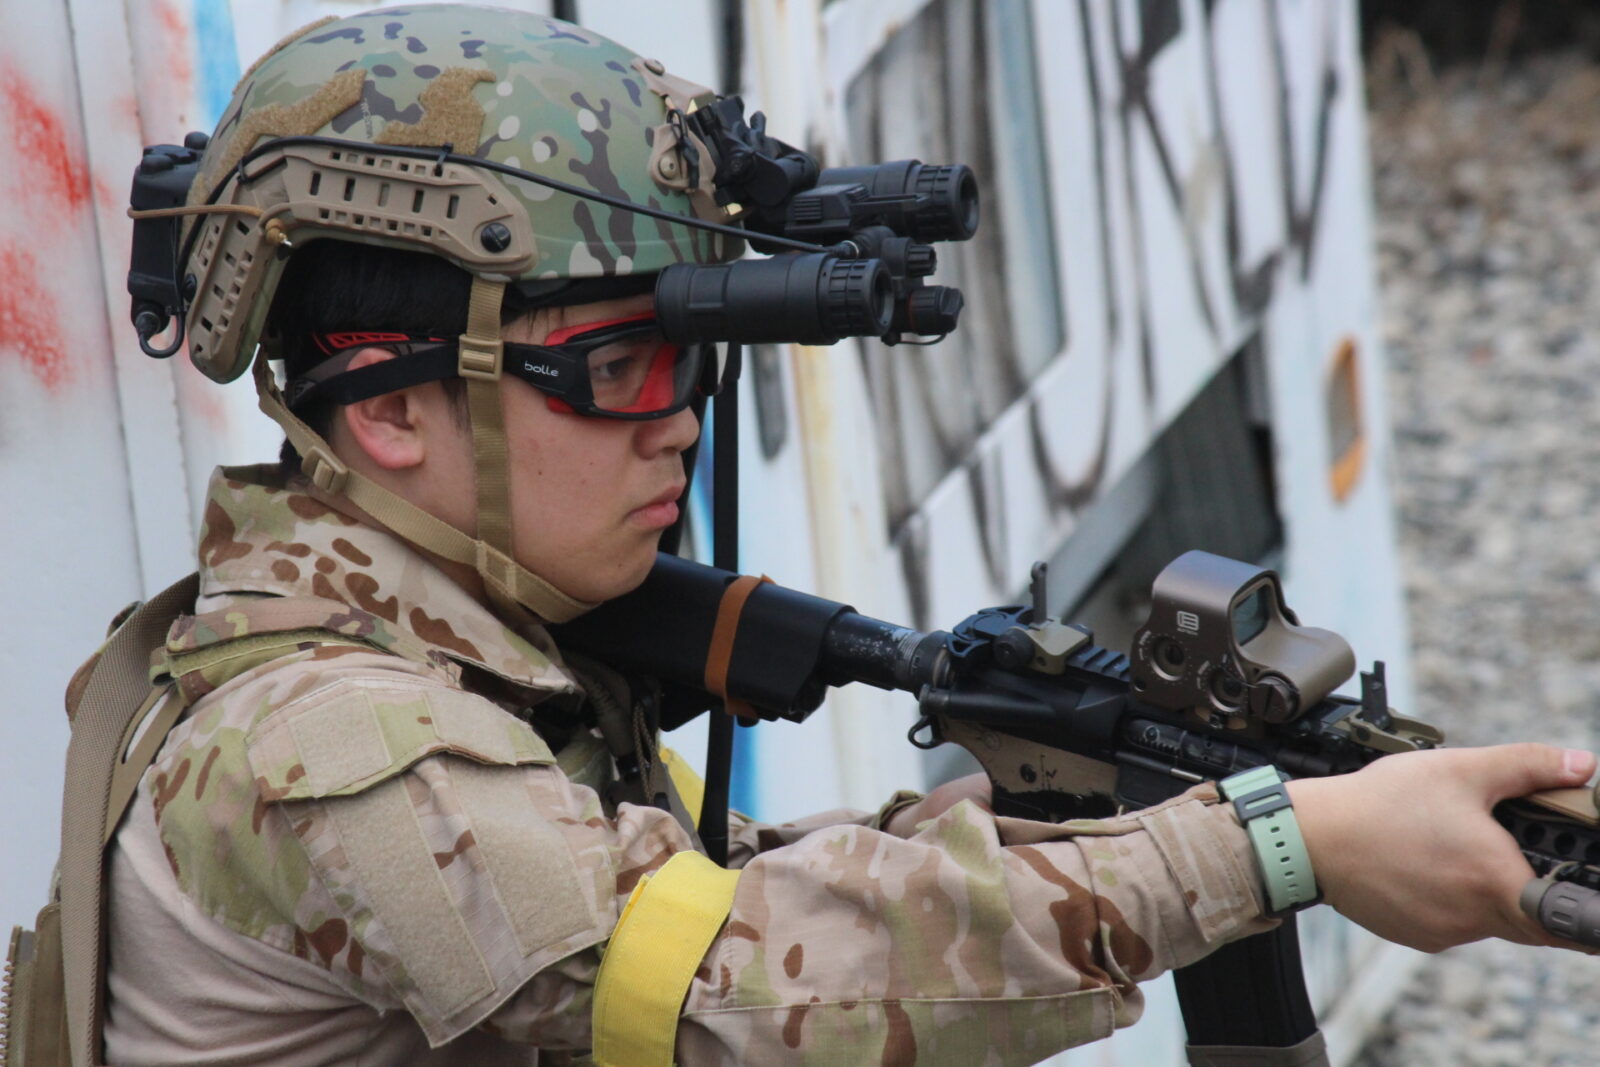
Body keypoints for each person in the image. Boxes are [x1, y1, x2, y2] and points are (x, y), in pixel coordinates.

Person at [99, 6, 1594, 1065]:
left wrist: (1124, 824)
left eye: (693, 364)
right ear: (387, 409)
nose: (677, 427)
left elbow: (694, 888)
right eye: (617, 369)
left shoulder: (468, 636)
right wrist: (1270, 848)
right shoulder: (329, 749)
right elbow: (725, 990)